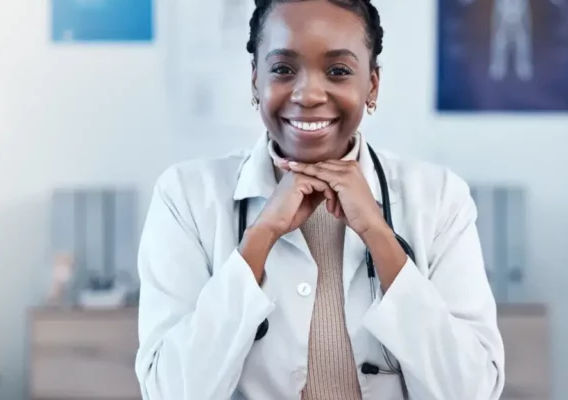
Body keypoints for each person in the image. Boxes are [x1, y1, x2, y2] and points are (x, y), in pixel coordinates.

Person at [134, 0, 505, 399]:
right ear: (255, 80)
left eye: (338, 71)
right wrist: (260, 237)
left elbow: (472, 391)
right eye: (282, 69)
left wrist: (379, 235)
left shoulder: (440, 198)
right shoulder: (186, 197)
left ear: (372, 85)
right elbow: (170, 391)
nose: (308, 94)